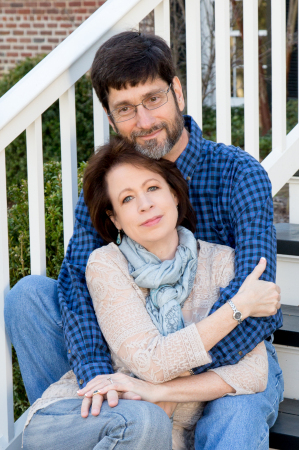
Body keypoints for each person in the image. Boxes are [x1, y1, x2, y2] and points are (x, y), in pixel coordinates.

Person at [4, 31, 283, 449]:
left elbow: (257, 305)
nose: (146, 121)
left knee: (236, 421)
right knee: (30, 298)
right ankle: (93, 425)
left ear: (178, 92)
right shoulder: (108, 184)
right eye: (126, 109)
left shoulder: (238, 175)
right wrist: (108, 384)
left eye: (154, 99)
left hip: (228, 351)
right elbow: (77, 286)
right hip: (131, 347)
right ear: (110, 115)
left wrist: (165, 380)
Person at [22, 139, 281, 450]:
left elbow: (253, 373)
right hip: (92, 415)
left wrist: (159, 392)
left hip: (157, 422)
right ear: (114, 219)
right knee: (145, 421)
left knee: (152, 422)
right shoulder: (106, 265)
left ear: (174, 194)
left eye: (153, 189)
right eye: (127, 198)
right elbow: (152, 362)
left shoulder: (223, 261)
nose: (144, 204)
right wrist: (239, 306)